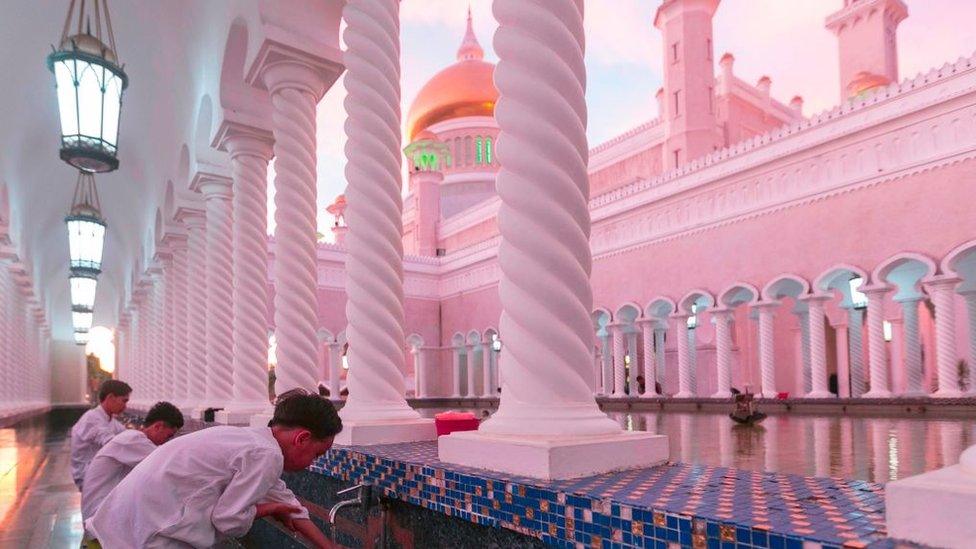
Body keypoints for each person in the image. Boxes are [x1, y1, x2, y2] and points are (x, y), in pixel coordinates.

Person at [87, 390, 342, 548]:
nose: (312, 462)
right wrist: (270, 509)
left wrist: (328, 547)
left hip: (123, 524)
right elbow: (228, 520)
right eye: (317, 454)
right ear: (302, 438)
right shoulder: (266, 454)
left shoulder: (253, 441)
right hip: (146, 535)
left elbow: (289, 504)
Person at [81, 401, 185, 522]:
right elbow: (170, 465)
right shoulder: (132, 440)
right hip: (99, 519)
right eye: (168, 436)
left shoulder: (133, 439)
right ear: (158, 426)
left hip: (99, 514)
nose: (167, 441)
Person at [70, 379, 131, 489]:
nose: (125, 406)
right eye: (124, 401)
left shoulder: (110, 421)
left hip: (99, 473)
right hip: (88, 477)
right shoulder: (92, 419)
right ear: (110, 397)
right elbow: (112, 443)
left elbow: (126, 436)